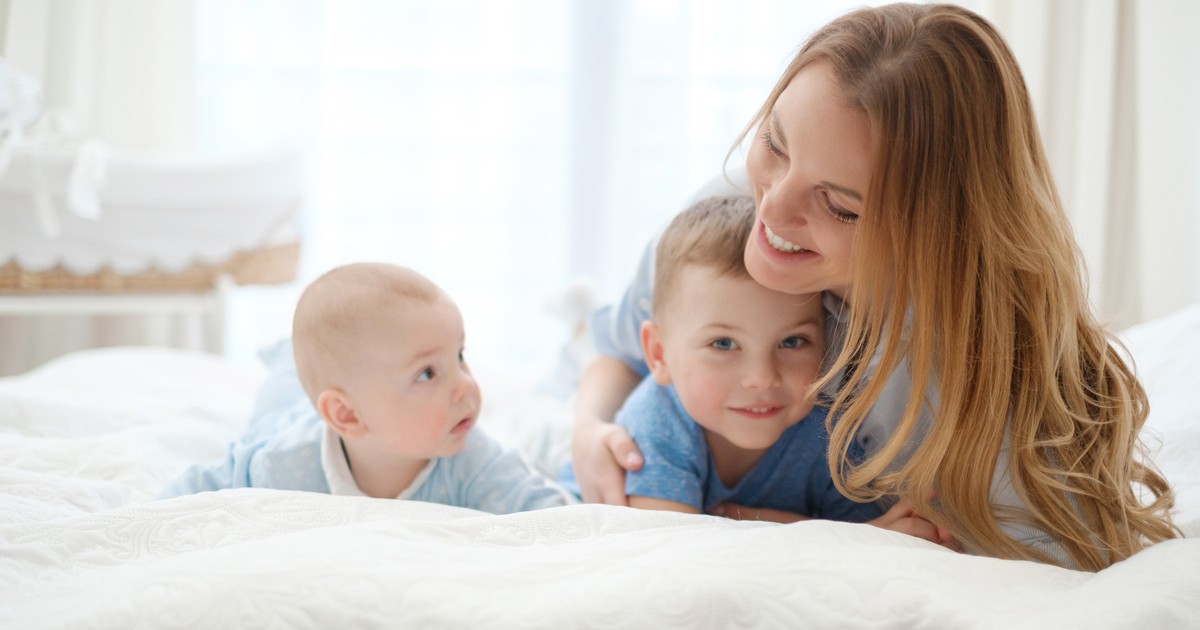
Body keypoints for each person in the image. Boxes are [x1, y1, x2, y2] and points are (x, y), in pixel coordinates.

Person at [571, 2, 1179, 571]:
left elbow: (1062, 559)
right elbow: (622, 349)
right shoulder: (726, 218)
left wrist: (844, 541)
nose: (772, 209)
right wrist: (590, 430)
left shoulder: (979, 381)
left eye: (838, 205)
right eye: (775, 144)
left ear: (934, 231)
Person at [562, 195, 881, 524]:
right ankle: (577, 324)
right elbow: (676, 548)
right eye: (724, 344)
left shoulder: (829, 435)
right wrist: (784, 523)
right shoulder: (657, 426)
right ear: (659, 354)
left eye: (792, 341)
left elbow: (866, 535)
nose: (762, 377)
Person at [160, 262, 575, 513]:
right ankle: (288, 357)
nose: (465, 387)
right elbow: (195, 492)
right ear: (347, 415)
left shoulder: (472, 459)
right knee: (279, 396)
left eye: (461, 356)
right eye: (428, 373)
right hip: (286, 418)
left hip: (329, 406)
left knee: (322, 370)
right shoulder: (280, 463)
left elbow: (549, 512)